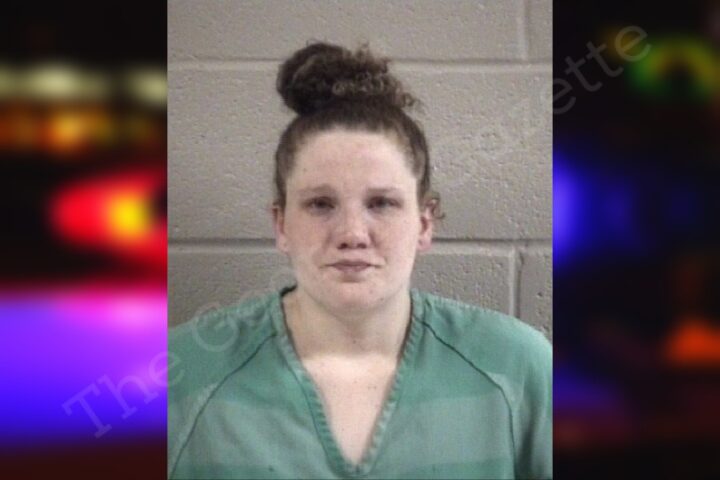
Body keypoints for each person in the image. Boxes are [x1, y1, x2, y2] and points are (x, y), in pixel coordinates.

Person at [168, 42, 552, 479]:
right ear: (281, 224)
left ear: (424, 223)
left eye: (382, 203)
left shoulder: (518, 369)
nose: (352, 234)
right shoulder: (180, 378)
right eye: (320, 204)